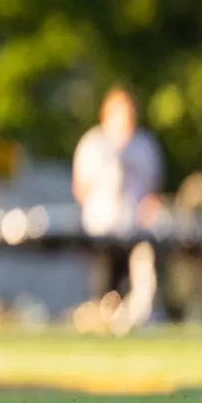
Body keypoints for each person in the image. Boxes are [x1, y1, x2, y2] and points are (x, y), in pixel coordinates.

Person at [71, 86, 165, 306]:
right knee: (102, 282)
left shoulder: (144, 145)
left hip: (134, 227)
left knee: (132, 282)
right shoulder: (93, 144)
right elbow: (80, 186)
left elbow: (153, 189)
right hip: (101, 226)